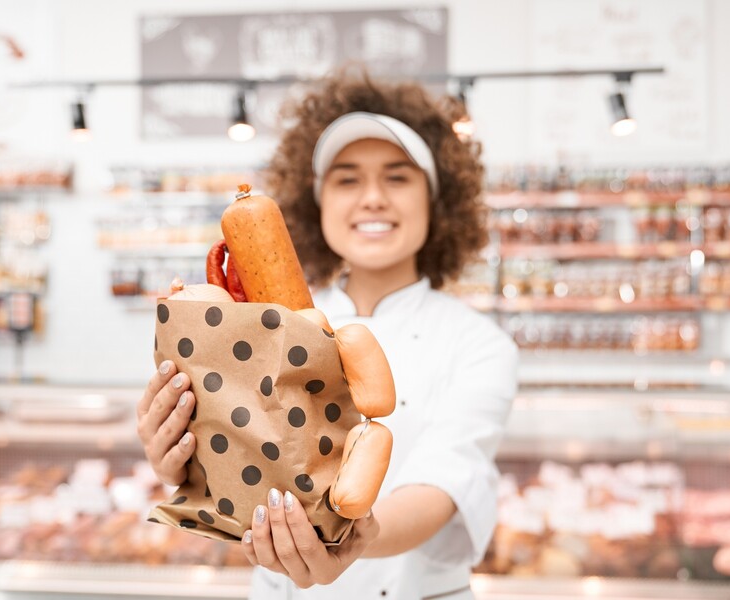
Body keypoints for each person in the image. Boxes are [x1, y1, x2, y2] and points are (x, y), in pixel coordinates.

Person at [137, 70, 519, 600]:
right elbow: (239, 451)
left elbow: (445, 482)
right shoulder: (263, 322)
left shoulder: (478, 344)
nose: (372, 199)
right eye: (346, 178)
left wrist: (361, 533)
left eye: (398, 176)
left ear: (438, 200)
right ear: (315, 202)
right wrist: (181, 458)